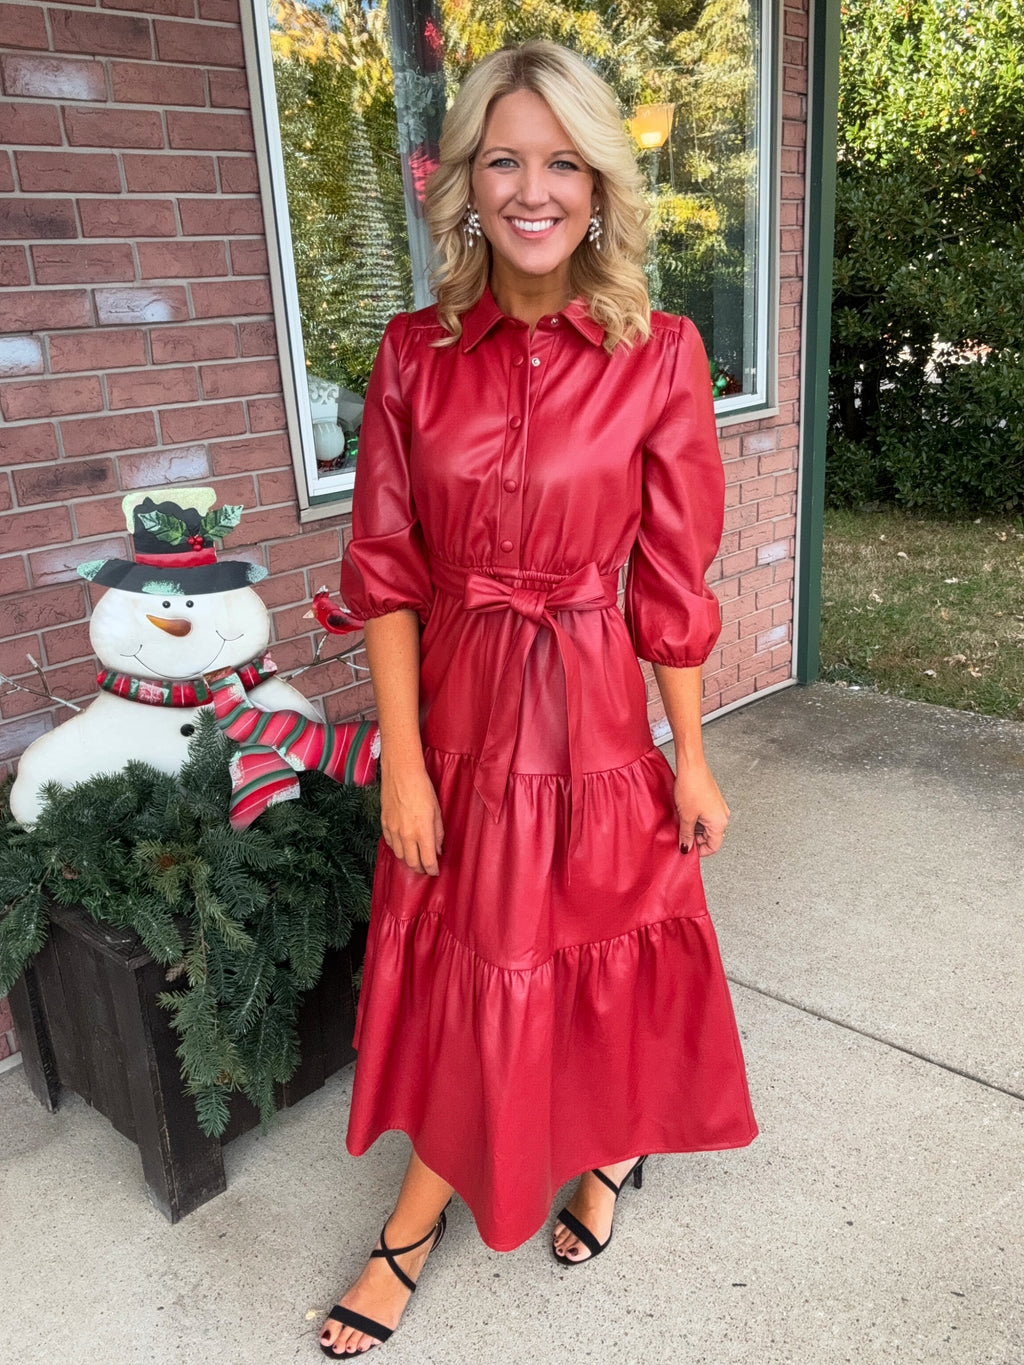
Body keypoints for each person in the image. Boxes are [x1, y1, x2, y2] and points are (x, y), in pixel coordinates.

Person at [319, 39, 757, 1359]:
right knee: (476, 961)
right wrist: (401, 759)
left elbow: (671, 580)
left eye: (561, 160)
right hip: (455, 718)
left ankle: (605, 1150)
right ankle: (425, 1210)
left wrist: (691, 752)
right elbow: (385, 571)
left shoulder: (659, 353)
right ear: (462, 182)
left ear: (600, 186)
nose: (532, 187)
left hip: (590, 712)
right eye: (503, 158)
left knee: (591, 946)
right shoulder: (411, 355)